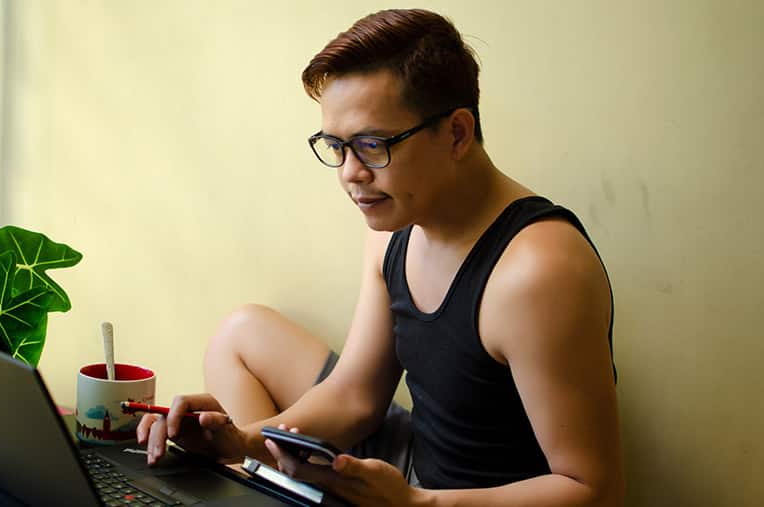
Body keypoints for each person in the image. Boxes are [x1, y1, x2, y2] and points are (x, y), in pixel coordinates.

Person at [138, 8, 623, 506]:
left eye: (371, 145)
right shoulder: (395, 227)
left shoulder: (538, 273)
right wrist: (240, 441)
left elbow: (595, 492)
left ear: (457, 134)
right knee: (241, 333)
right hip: (417, 469)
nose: (350, 173)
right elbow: (355, 397)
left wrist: (417, 504)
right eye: (336, 146)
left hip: (469, 500)